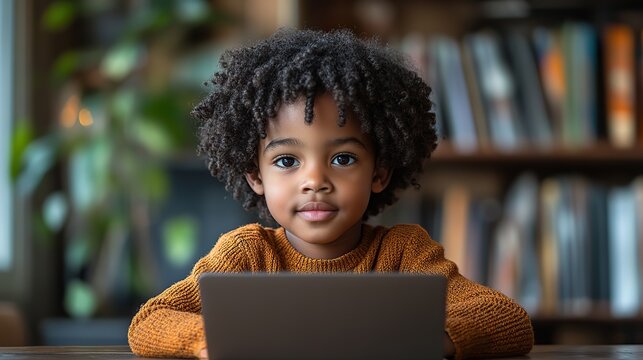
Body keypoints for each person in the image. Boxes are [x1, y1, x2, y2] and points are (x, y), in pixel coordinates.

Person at [128, 28, 534, 359]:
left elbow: (506, 317)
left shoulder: (405, 253)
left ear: (380, 172)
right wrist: (208, 341)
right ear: (256, 176)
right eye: (287, 161)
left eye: (342, 159)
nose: (315, 180)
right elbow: (150, 320)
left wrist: (430, 341)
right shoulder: (246, 254)